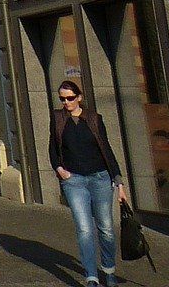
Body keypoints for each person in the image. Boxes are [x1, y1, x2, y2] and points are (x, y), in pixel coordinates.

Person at [51, 77, 127, 287]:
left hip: (100, 178)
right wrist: (60, 170)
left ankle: (109, 270)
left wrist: (119, 182)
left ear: (79, 98)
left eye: (70, 98)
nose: (66, 103)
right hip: (74, 181)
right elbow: (52, 149)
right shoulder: (58, 119)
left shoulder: (94, 118)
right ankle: (91, 276)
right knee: (84, 229)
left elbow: (106, 149)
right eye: (62, 99)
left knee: (106, 228)